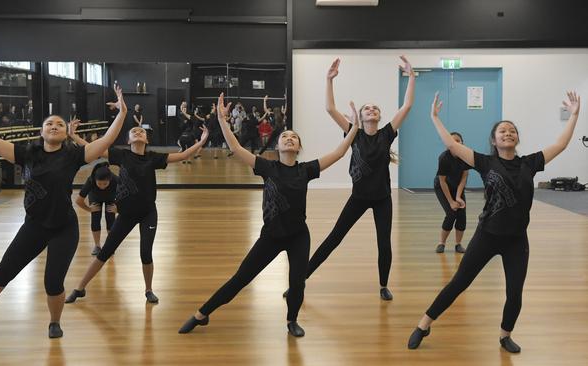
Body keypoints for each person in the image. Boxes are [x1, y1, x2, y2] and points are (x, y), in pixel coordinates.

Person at [407, 91, 581, 353]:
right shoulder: (485, 162)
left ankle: (504, 335)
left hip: (516, 239)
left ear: (517, 138)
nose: (508, 133)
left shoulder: (529, 163)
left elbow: (561, 144)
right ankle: (423, 324)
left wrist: (575, 115)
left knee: (514, 292)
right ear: (494, 139)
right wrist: (434, 118)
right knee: (459, 283)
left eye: (512, 130)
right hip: (487, 235)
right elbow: (453, 147)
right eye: (502, 131)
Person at [0, 85, 127, 339]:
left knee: (52, 282)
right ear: (41, 131)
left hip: (64, 227)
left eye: (59, 125)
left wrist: (121, 113)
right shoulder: (26, 154)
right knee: (3, 272)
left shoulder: (73, 155)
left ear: (66, 134)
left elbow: (107, 140)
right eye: (49, 124)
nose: (54, 126)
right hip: (34, 225)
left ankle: (54, 321)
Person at [178, 93, 360, 337]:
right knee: (240, 279)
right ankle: (202, 313)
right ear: (278, 145)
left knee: (297, 282)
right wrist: (222, 120)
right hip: (271, 235)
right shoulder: (267, 167)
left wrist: (355, 128)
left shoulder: (306, 170)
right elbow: (235, 147)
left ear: (298, 147)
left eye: (294, 137)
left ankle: (291, 320)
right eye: (285, 136)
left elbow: (338, 153)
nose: (289, 138)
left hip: (298, 235)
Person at [292, 56, 415, 301]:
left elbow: (407, 106)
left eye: (375, 108)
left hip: (382, 198)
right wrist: (329, 80)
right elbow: (329, 108)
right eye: (367, 108)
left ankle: (383, 285)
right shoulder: (353, 133)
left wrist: (411, 77)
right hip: (358, 198)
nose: (372, 110)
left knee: (385, 244)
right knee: (334, 238)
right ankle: (300, 280)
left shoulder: (386, 134)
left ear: (379, 117)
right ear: (359, 116)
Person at [64, 123, 209, 305]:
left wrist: (202, 141)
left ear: (146, 139)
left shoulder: (153, 158)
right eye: (134, 131)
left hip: (148, 212)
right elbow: (96, 149)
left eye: (141, 131)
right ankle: (80, 288)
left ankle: (148, 290)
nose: (138, 132)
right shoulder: (121, 155)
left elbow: (184, 155)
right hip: (126, 214)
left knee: (145, 253)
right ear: (128, 140)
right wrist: (74, 135)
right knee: (105, 252)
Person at [73, 157, 118, 256]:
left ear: (110, 180)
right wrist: (89, 209)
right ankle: (97, 246)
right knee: (95, 219)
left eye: (105, 184)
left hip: (111, 198)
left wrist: (118, 208)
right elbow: (78, 200)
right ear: (95, 180)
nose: (102, 186)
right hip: (95, 198)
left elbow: (127, 197)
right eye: (99, 184)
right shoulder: (91, 180)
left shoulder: (115, 180)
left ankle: (110, 246)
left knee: (110, 219)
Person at [434, 132, 469, 253]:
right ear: (447, 144)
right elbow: (442, 181)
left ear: (462, 142)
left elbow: (464, 177)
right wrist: (451, 202)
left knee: (461, 215)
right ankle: (441, 243)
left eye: (458, 140)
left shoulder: (466, 156)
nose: (455, 143)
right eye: (452, 140)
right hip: (442, 187)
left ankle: (458, 244)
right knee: (451, 213)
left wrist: (458, 197)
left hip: (457, 187)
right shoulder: (444, 158)